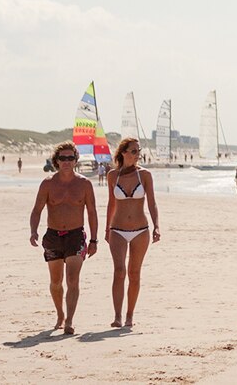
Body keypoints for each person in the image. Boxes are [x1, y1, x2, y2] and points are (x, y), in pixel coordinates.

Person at [28, 142, 99, 334]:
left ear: (76, 160)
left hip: (76, 236)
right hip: (53, 236)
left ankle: (69, 320)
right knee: (56, 281)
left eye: (70, 158)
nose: (66, 162)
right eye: (63, 158)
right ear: (56, 161)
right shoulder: (48, 184)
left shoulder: (84, 184)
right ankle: (60, 314)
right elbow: (37, 210)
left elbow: (92, 212)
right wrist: (33, 231)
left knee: (72, 279)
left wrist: (94, 240)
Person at [106, 138, 162, 328]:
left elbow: (152, 202)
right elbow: (111, 204)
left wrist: (157, 226)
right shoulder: (113, 175)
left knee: (134, 273)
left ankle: (130, 316)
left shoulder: (144, 175)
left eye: (138, 151)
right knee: (119, 271)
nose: (137, 154)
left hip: (140, 230)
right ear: (123, 153)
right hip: (118, 230)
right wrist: (107, 229)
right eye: (133, 151)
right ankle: (117, 316)